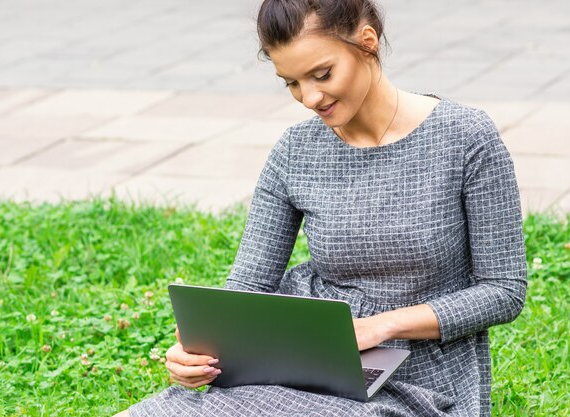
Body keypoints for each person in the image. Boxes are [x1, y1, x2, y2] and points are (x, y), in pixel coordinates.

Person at [114, 0, 527, 415]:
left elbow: (504, 290)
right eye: (291, 82)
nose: (309, 97)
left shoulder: (465, 138)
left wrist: (381, 326)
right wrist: (199, 350)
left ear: (367, 43)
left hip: (421, 376)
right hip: (300, 360)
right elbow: (249, 286)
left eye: (322, 74)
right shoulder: (296, 150)